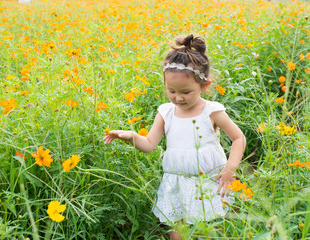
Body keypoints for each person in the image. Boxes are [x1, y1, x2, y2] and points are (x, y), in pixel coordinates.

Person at [102, 34, 246, 240]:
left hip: (206, 180)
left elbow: (238, 138)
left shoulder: (211, 112)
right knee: (176, 231)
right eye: (171, 91)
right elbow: (150, 144)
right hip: (175, 182)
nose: (178, 98)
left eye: (186, 92)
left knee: (208, 230)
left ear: (205, 86)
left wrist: (229, 170)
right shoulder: (166, 112)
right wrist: (131, 137)